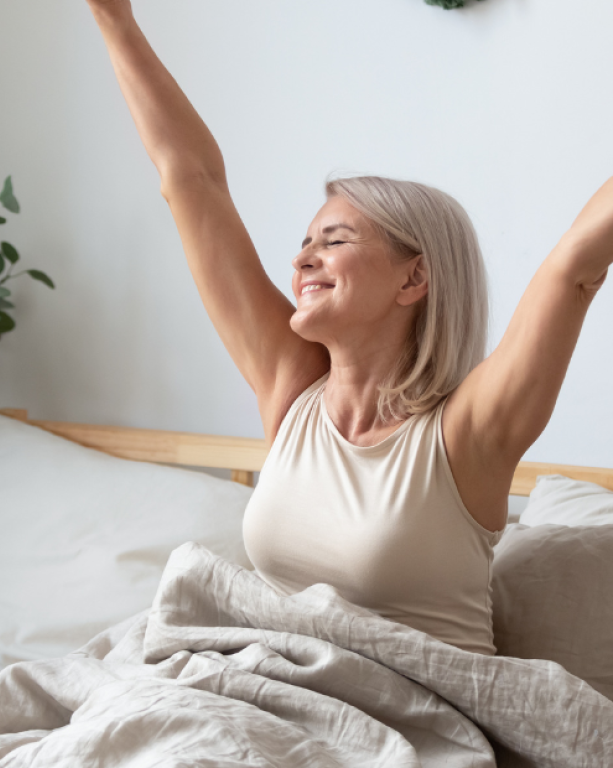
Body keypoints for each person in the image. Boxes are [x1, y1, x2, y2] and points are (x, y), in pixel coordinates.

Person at [86, 0, 613, 655]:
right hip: (267, 686)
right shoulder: (292, 392)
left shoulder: (468, 433)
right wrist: (113, 17)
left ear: (413, 279)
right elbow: (192, 181)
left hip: (412, 708)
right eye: (305, 242)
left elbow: (575, 268)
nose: (302, 260)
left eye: (333, 241)